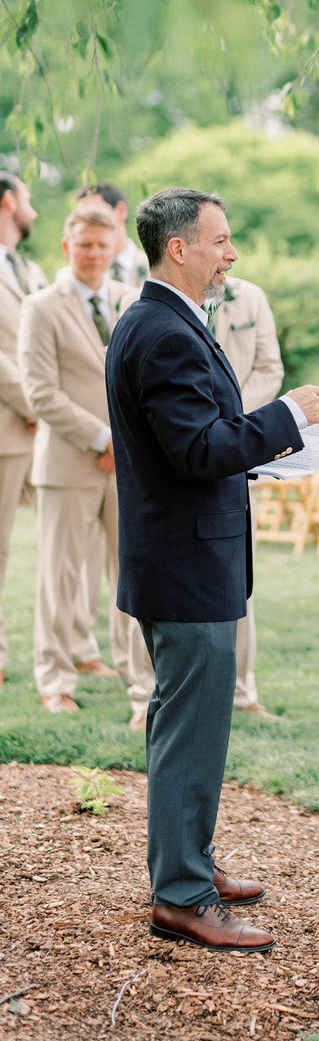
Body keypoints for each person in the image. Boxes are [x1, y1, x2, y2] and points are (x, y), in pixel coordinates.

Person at [106, 187, 319, 953]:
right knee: (190, 728)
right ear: (180, 249)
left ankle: (187, 862)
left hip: (187, 552)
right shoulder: (162, 331)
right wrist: (287, 420)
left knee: (186, 723)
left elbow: (192, 445)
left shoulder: (165, 321)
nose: (231, 253)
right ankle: (182, 896)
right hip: (186, 560)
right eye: (221, 240)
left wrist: (256, 453)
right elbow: (200, 448)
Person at [19, 207, 151, 720]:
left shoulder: (130, 300)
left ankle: (140, 683)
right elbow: (40, 392)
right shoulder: (41, 307)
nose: (94, 254)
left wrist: (127, 444)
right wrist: (102, 438)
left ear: (116, 246)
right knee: (61, 578)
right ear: (65, 246)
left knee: (134, 574)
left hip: (128, 467)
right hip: (67, 465)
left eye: (103, 245)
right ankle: (55, 681)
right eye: (84, 245)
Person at [205, 275, 285, 717]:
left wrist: (230, 414)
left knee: (239, 574)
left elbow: (270, 367)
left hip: (237, 448)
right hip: (187, 446)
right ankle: (143, 691)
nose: (229, 254)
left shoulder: (252, 296)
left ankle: (240, 690)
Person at [0, 172, 46, 690]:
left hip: (46, 430)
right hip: (9, 427)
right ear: (9, 202)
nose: (31, 208)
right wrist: (35, 403)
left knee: (62, 548)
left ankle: (75, 651)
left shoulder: (28, 269)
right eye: (27, 198)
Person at [75, 182, 149, 287]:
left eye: (96, 214)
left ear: (121, 211)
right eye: (81, 217)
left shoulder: (153, 267)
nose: (88, 223)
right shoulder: (78, 274)